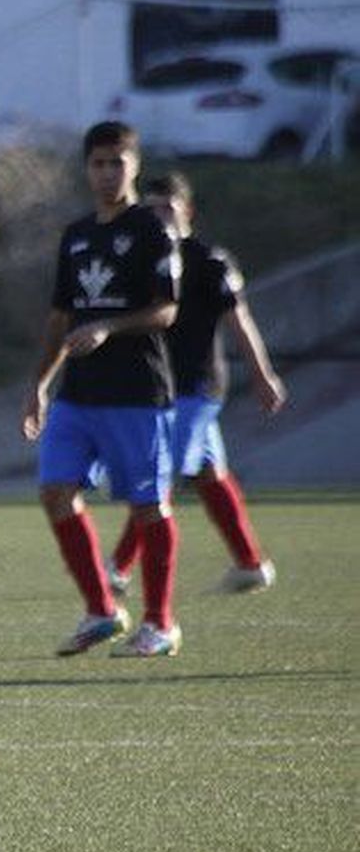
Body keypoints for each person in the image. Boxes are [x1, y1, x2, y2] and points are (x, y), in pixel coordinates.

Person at [21, 121, 181, 658]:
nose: (108, 172)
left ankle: (160, 623)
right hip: (77, 393)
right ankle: (101, 609)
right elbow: (59, 317)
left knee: (147, 507)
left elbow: (166, 309)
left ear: (134, 165)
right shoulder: (77, 235)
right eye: (98, 163)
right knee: (54, 489)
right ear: (86, 168)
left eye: (118, 162)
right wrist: (40, 383)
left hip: (137, 392)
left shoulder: (152, 231)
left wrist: (110, 326)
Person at [104, 172, 286, 596]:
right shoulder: (142, 261)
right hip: (159, 388)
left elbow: (239, 321)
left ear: (188, 210)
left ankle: (118, 567)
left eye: (167, 208)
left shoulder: (209, 261)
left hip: (198, 388)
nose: (159, 217)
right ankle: (250, 564)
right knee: (209, 474)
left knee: (159, 473)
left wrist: (263, 375)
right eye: (150, 209)